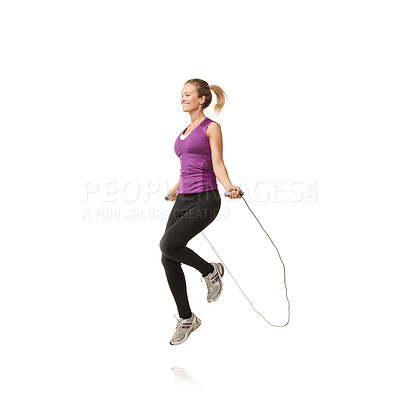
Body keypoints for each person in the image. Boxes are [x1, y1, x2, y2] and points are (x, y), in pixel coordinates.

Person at [159, 78, 242, 345]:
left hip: (206, 199)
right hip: (183, 197)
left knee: (168, 244)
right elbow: (187, 167)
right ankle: (187, 319)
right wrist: (174, 189)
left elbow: (217, 162)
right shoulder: (183, 131)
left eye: (187, 94)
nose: (182, 98)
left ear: (201, 99)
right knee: (167, 255)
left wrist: (229, 186)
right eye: (181, 95)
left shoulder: (211, 127)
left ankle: (210, 271)